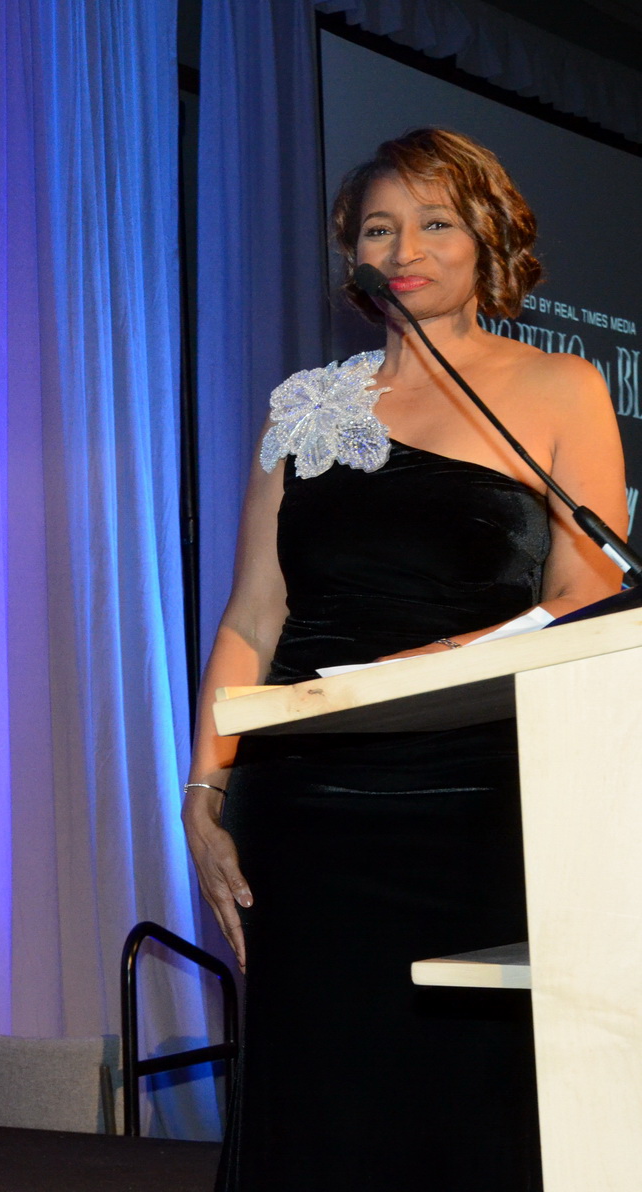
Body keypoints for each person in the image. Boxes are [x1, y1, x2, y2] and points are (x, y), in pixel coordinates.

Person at [184, 127, 624, 1189]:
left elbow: (587, 597)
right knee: (324, 1099)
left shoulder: (560, 388)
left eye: (436, 222)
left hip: (477, 795)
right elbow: (253, 616)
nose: (407, 247)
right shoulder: (305, 407)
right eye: (381, 228)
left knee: (472, 1100)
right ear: (355, 254)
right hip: (306, 806)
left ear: (488, 239)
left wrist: (441, 661)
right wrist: (203, 789)